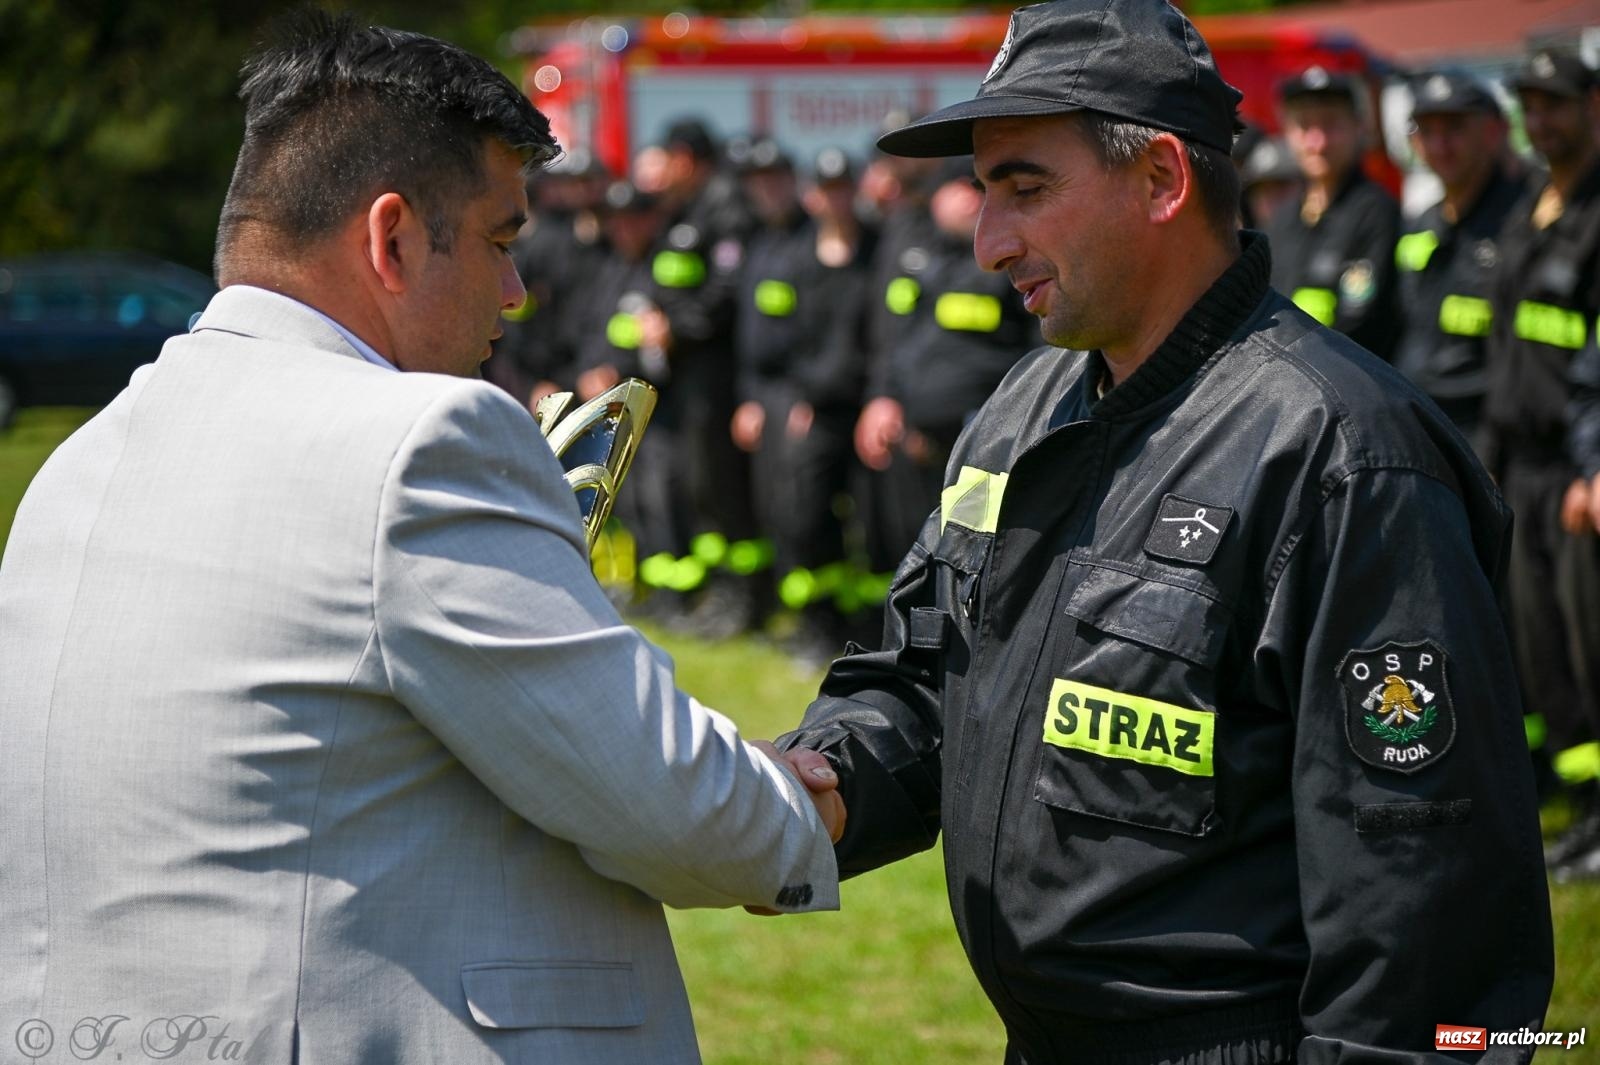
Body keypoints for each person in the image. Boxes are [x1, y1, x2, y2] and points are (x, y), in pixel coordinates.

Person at [0, 14, 842, 1065]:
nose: (515, 292)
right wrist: (824, 792)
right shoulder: (417, 439)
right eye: (498, 240)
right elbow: (670, 806)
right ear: (392, 238)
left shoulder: (79, 460)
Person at [777, 1, 1553, 1060]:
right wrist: (800, 789)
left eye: (1026, 188)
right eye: (983, 191)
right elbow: (923, 675)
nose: (987, 243)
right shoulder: (1019, 411)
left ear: (1160, 180)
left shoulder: (1343, 455)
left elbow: (1426, 911)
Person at [1481, 49, 1600, 883]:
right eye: (1531, 105)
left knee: (1591, 643)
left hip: (1577, 471)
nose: (1542, 120)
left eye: (1556, 104)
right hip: (1518, 463)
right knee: (1544, 649)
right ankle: (1585, 815)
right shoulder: (1532, 205)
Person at [1392, 71, 1526, 452]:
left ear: (1493, 132)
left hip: (1489, 439)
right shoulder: (1419, 224)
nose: (1440, 144)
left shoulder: (1523, 222)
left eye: (1454, 128)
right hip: (1419, 424)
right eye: (1427, 131)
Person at [1262, 65, 1402, 360]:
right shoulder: (1282, 218)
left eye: (1330, 124)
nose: (1318, 142)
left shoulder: (1376, 211)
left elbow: (1360, 322)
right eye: (1304, 126)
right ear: (1287, 132)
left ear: (1359, 127)